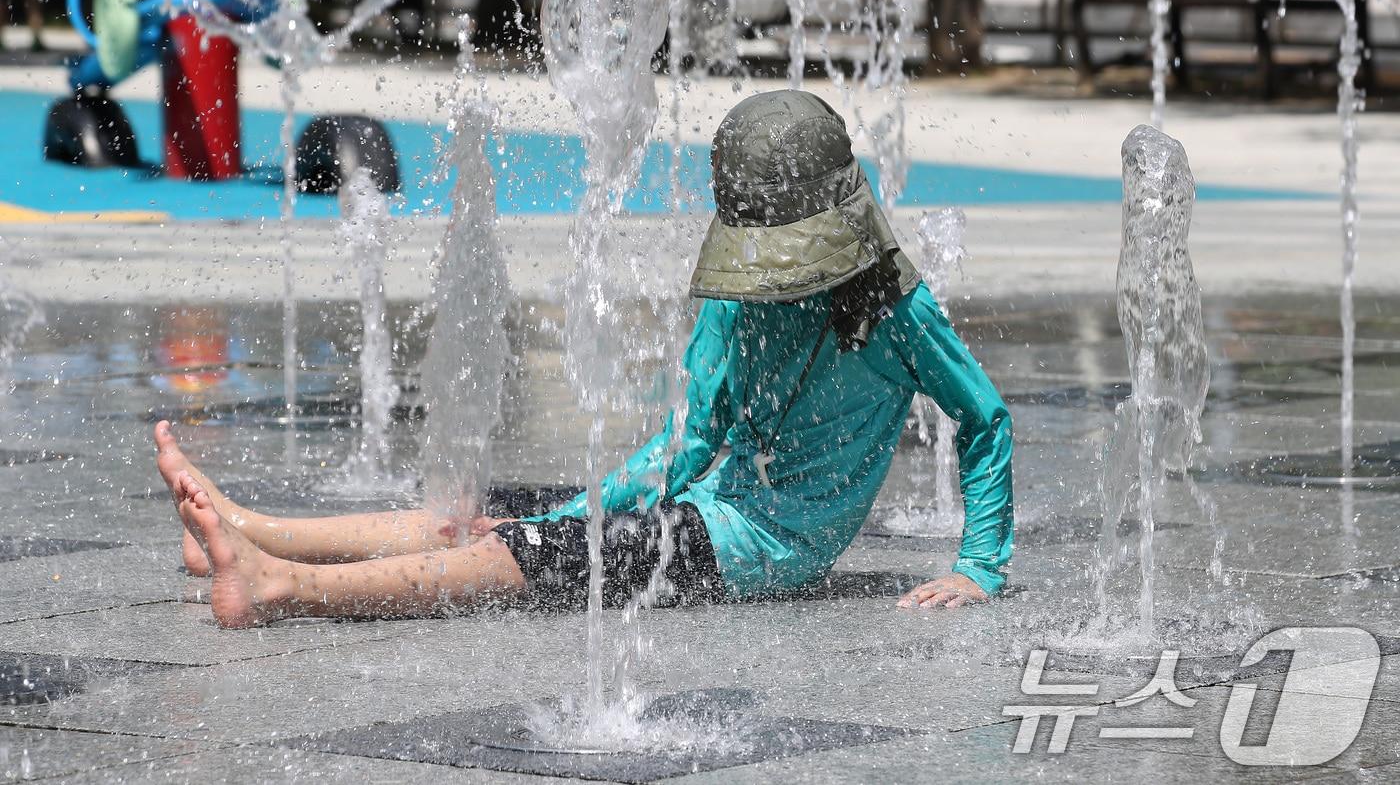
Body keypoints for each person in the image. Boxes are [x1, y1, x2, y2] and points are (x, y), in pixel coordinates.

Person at [155, 90, 1014, 629]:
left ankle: (284, 587)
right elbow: (688, 439)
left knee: (521, 553)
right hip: (705, 505)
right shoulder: (736, 293)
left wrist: (976, 565)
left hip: (765, 550)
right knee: (477, 509)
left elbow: (983, 417)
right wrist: (584, 509)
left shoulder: (899, 310)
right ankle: (253, 532)